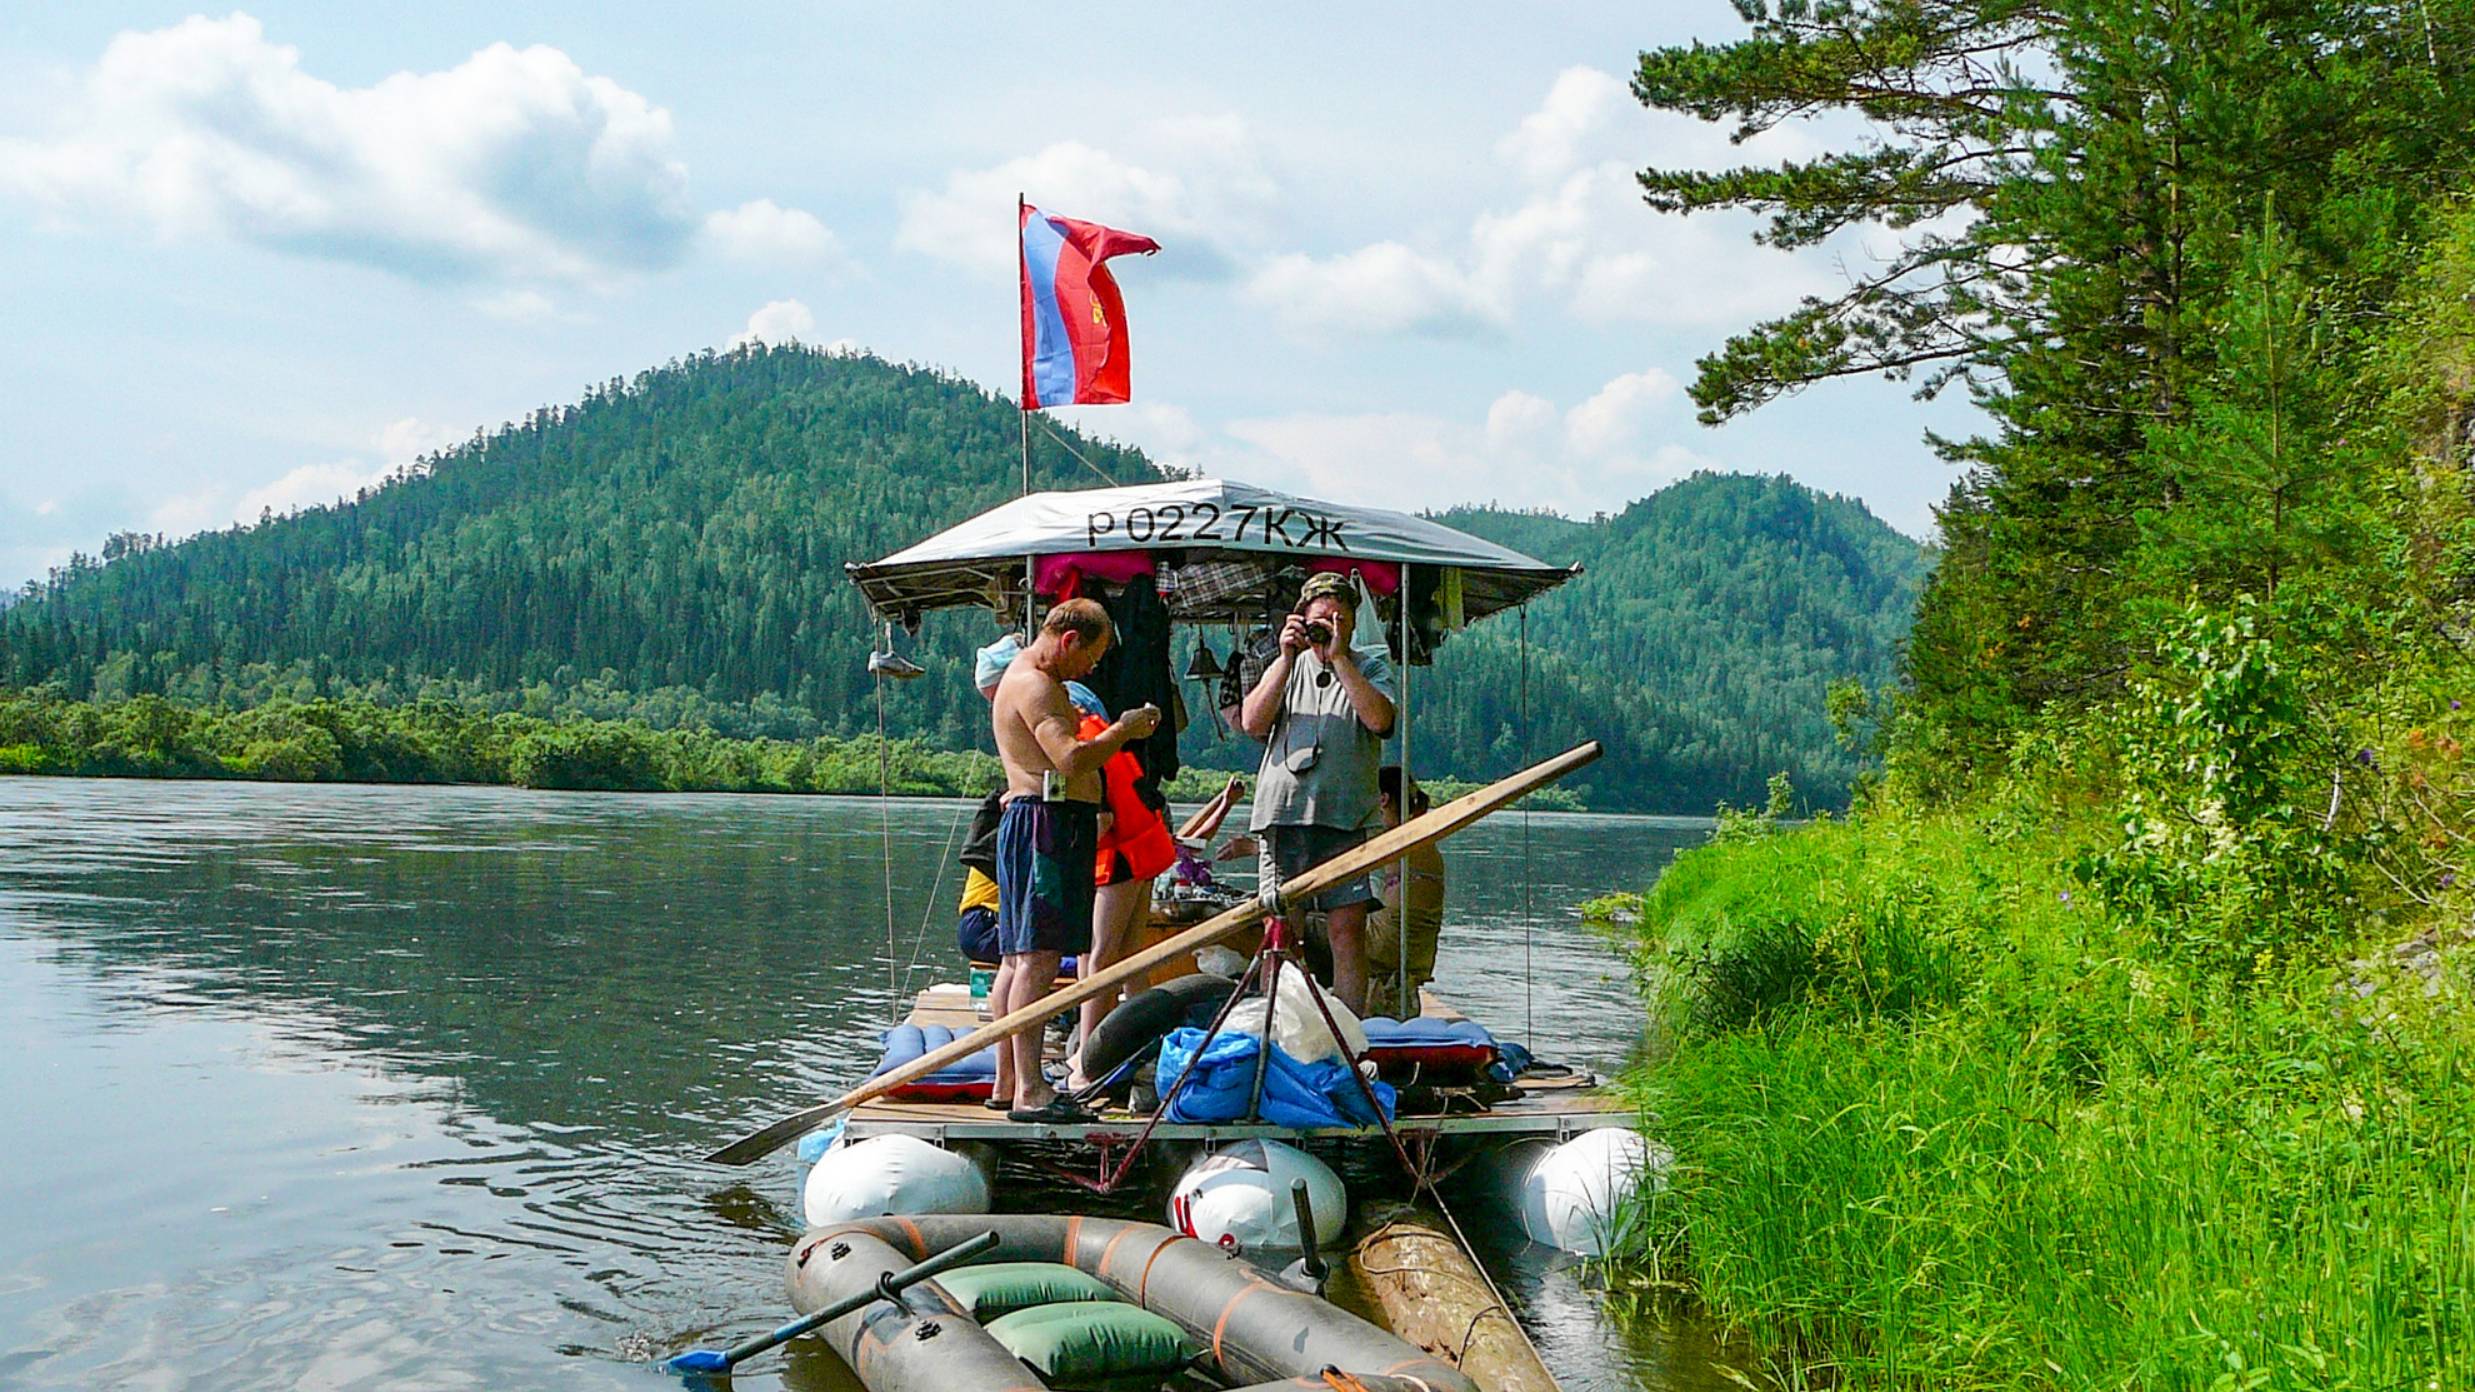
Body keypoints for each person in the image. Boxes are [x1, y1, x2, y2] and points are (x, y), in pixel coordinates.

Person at [989, 598, 1161, 1123]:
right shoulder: (1037, 686)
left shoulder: (1033, 681)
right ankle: (1032, 1091)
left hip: (1043, 821)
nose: (1092, 668)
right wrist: (1123, 730)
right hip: (1045, 824)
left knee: (1018, 959)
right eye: (1093, 656)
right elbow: (1070, 758)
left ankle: (1009, 1081)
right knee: (1037, 958)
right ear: (1068, 640)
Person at [1239, 572, 1395, 1013]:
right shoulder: (1285, 665)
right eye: (1321, 617)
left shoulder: (1370, 666)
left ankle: (1348, 1031)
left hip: (1345, 818)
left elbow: (1380, 721)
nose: (1329, 625)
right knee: (1279, 932)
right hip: (1284, 817)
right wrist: (1287, 657)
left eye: (1340, 618)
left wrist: (1340, 657)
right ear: (1301, 619)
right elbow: (1252, 724)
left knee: (1348, 933)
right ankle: (1277, 1021)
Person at [1063, 682, 1179, 1091]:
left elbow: (1102, 820)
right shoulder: (1098, 731)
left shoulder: (1082, 739)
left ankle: (1088, 1061)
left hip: (1122, 853)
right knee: (1129, 955)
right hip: (1145, 845)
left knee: (1099, 955)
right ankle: (1149, 1040)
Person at [1363, 767, 1445, 1019]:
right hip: (1420, 950)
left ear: (1383, 800)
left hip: (1391, 946)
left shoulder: (1395, 837)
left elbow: (1331, 858)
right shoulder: (1419, 832)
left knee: (1307, 927)